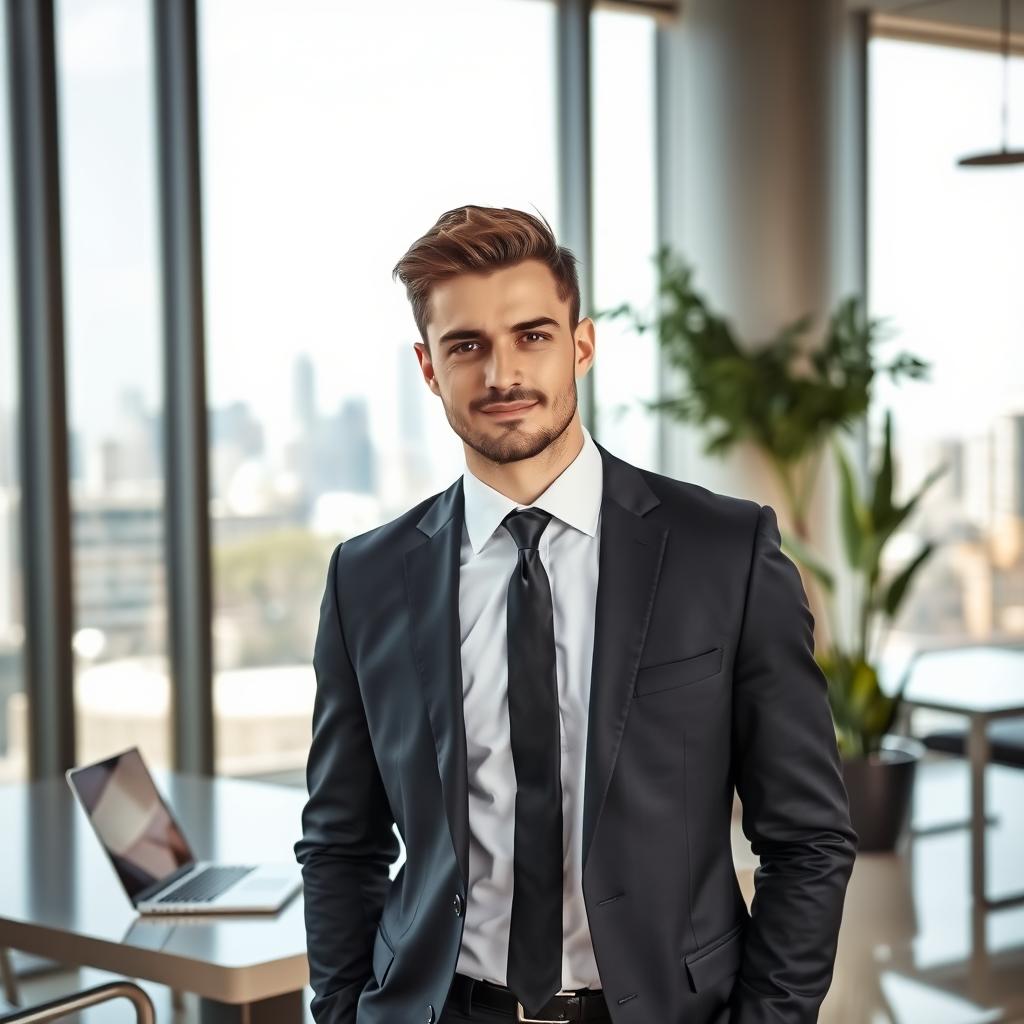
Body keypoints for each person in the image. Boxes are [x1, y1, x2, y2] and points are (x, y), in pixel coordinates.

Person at [294, 205, 857, 1024]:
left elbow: (807, 839)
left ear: (581, 345)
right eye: (467, 346)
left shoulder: (724, 553)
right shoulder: (366, 577)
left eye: (532, 336)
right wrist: (344, 1010)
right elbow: (342, 843)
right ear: (428, 367)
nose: (502, 375)